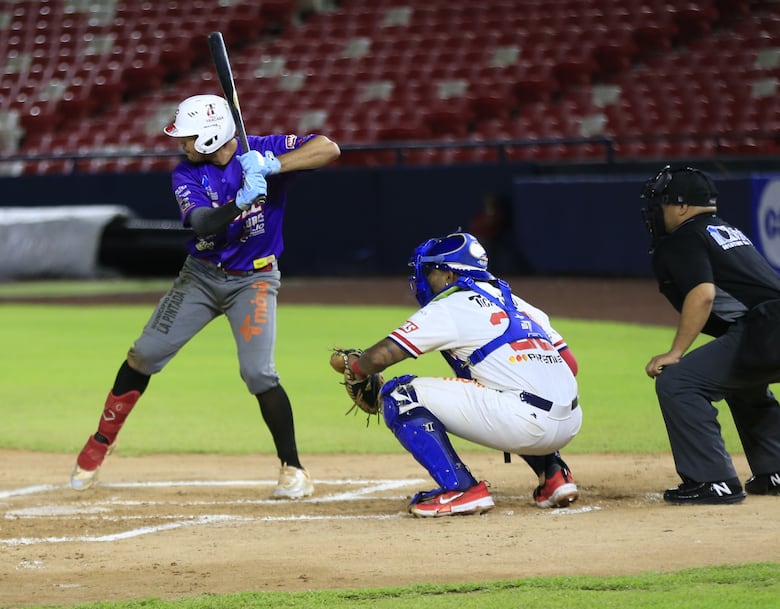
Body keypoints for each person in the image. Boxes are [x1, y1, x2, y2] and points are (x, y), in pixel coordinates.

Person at [70, 94, 341, 498]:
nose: (182, 144)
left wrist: (272, 166)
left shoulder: (259, 149)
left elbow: (328, 148)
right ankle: (101, 442)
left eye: (189, 137)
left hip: (255, 280)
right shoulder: (186, 174)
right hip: (201, 276)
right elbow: (201, 223)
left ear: (212, 136)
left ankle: (293, 469)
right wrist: (240, 201)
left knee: (258, 373)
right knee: (143, 355)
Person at [342, 231, 582, 517]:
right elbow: (571, 365)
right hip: (570, 422)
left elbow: (378, 358)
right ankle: (554, 475)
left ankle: (460, 489)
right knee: (503, 385)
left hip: (525, 424)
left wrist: (354, 367)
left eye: (430, 272)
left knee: (400, 394)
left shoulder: (450, 305)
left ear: (449, 275)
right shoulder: (519, 303)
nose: (424, 279)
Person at [640, 165, 780, 504]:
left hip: (768, 328)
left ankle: (714, 481)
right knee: (741, 382)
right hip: (767, 327)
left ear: (682, 206)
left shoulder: (684, 235)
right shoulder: (724, 230)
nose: (656, 211)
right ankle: (775, 469)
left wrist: (675, 352)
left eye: (661, 203)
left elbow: (702, 294)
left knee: (678, 382)